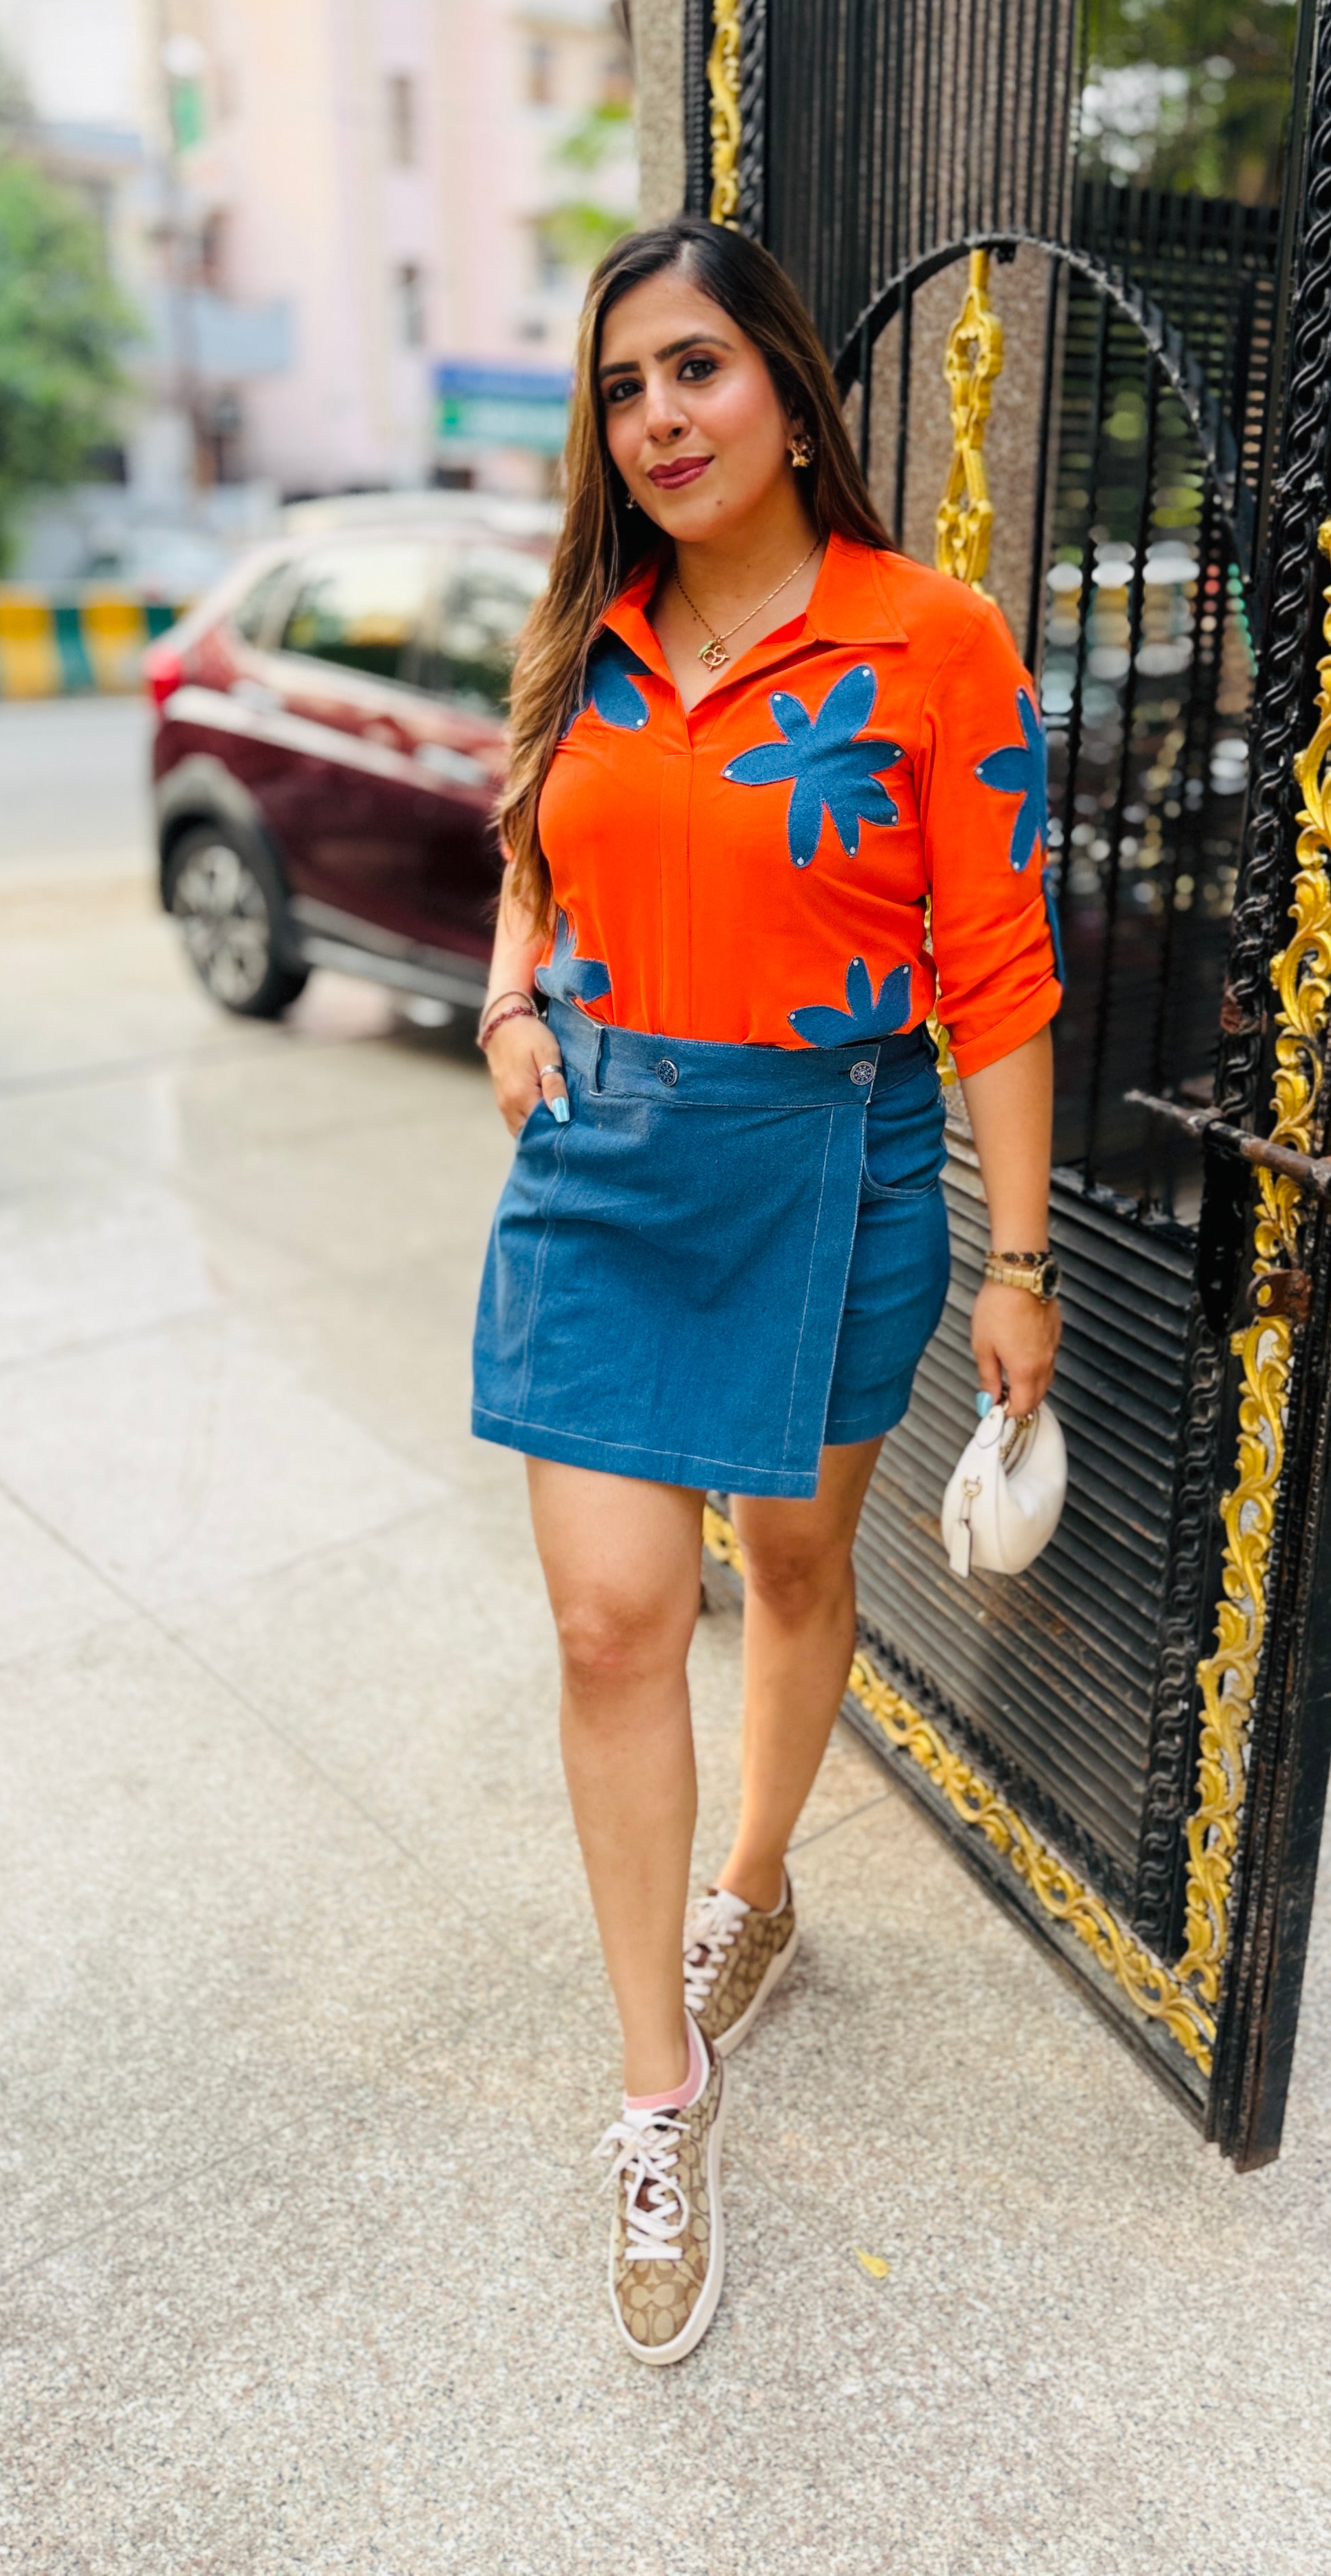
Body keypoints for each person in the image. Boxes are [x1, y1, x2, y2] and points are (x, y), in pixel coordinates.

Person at [472, 217, 1062, 2365]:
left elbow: (993, 963)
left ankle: (759, 1888)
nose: (659, 420)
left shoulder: (930, 639)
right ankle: (658, 2092)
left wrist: (1018, 1260)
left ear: (792, 394)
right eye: (625, 389)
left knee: (795, 1557)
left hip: (839, 1158)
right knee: (613, 1619)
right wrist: (512, 999)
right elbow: (534, 841)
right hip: (606, 1172)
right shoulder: (589, 630)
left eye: (697, 369)